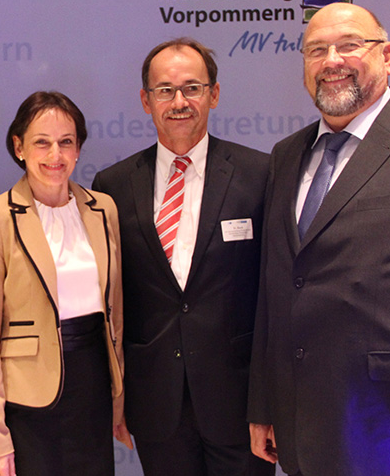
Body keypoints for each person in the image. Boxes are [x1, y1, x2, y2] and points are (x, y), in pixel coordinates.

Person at [248, 2, 390, 476]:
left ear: (387, 56)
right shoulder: (286, 155)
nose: (331, 61)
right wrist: (264, 404)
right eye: (316, 50)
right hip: (301, 424)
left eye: (349, 45)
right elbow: (275, 290)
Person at [92, 38, 273, 476]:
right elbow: (111, 302)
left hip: (239, 403)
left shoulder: (259, 174)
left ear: (214, 94)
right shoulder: (112, 186)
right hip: (156, 404)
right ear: (145, 100)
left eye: (192, 88)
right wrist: (117, 396)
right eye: (165, 90)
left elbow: (274, 296)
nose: (179, 102)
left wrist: (270, 400)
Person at [0, 91, 129, 476]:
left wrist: (120, 401)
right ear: (19, 147)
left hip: (93, 385)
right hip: (29, 399)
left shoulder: (102, 209)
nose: (55, 154)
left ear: (78, 149)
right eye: (42, 142)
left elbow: (117, 313)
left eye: (66, 142)